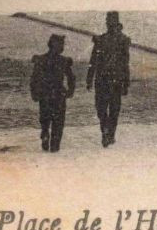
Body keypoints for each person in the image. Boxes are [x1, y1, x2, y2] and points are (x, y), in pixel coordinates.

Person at [86, 12, 132, 148]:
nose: (110, 25)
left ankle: (108, 133)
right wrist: (89, 79)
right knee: (109, 109)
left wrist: (126, 83)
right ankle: (108, 133)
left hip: (109, 80)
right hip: (108, 80)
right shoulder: (102, 40)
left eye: (111, 22)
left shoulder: (121, 41)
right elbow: (93, 60)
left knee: (109, 108)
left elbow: (125, 63)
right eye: (109, 22)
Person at [30, 34, 76, 152]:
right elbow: (71, 77)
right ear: (56, 45)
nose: (62, 46)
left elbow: (34, 79)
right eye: (61, 44)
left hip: (45, 94)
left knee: (45, 119)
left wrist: (34, 93)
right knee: (58, 122)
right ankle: (54, 147)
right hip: (58, 95)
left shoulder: (41, 59)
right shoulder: (63, 61)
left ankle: (45, 134)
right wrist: (70, 91)